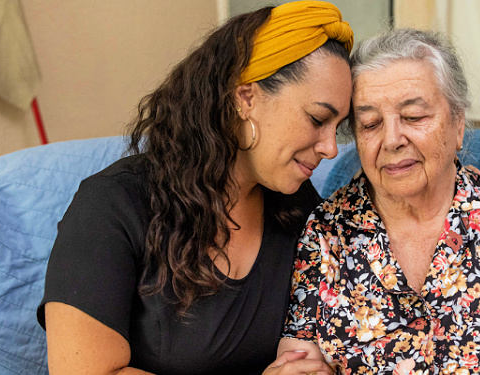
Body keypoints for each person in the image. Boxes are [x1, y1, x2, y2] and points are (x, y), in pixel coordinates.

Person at [37, 2, 352, 374]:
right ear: (246, 98)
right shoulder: (114, 206)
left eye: (338, 127)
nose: (331, 148)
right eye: (317, 119)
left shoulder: (298, 211)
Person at [279, 29, 480, 374]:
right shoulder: (326, 236)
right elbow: (297, 364)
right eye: (370, 123)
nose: (391, 140)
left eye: (414, 117)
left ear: (458, 124)